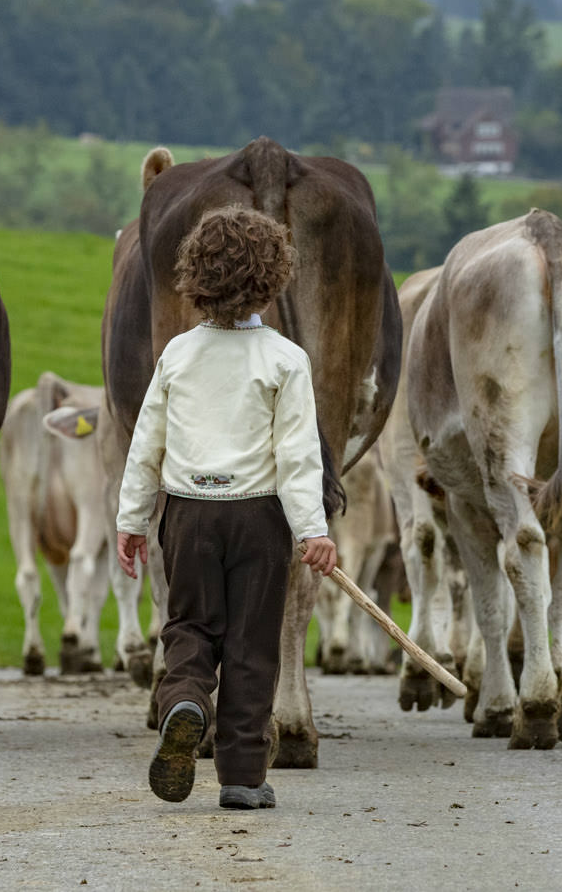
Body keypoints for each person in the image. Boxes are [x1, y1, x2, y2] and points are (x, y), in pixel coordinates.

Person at [115, 205, 337, 811]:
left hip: (188, 516)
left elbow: (146, 445)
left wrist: (132, 521)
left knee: (189, 626)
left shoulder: (178, 354)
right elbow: (297, 456)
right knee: (251, 647)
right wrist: (313, 530)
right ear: (273, 279)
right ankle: (241, 776)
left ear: (196, 275)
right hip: (259, 519)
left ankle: (185, 700)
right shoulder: (286, 359)